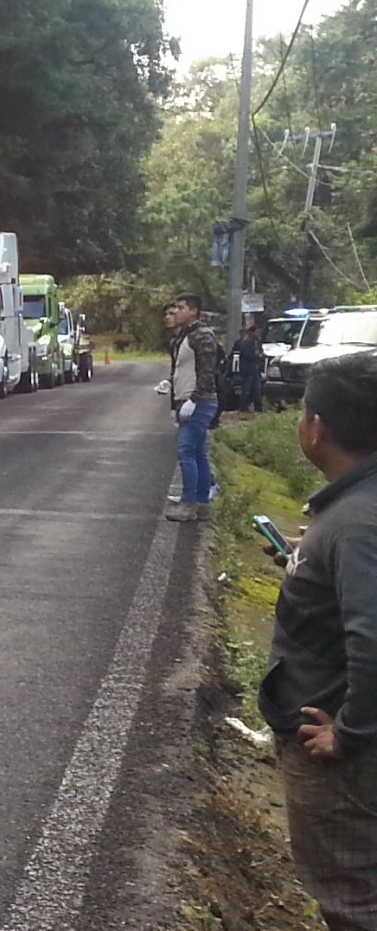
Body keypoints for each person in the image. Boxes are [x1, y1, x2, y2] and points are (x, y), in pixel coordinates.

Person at [260, 350, 377, 929]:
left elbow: (372, 638)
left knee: (353, 899)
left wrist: (349, 733)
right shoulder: (354, 512)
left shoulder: (356, 525)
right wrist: (307, 557)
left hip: (341, 751)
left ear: (317, 428)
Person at [165, 294, 223, 521]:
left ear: (193, 311)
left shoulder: (202, 335)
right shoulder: (184, 337)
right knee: (199, 453)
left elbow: (207, 372)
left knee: (186, 450)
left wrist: (194, 399)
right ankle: (202, 504)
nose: (177, 312)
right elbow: (182, 370)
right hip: (187, 399)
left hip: (200, 401)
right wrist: (171, 388)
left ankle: (189, 503)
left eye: (181, 308)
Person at [233, 323, 267, 413]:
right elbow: (246, 355)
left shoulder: (258, 341)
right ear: (251, 332)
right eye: (256, 332)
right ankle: (244, 407)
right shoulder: (246, 342)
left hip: (256, 368)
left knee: (257, 388)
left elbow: (260, 350)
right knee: (246, 388)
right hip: (247, 369)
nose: (258, 334)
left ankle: (258, 407)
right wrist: (258, 356)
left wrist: (261, 356)